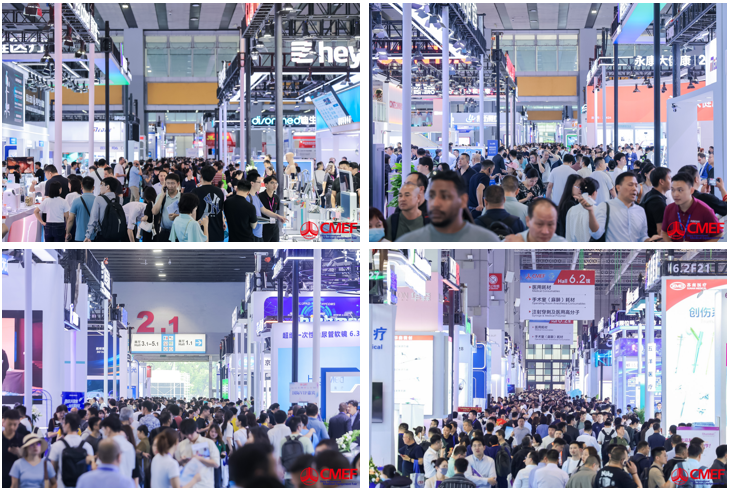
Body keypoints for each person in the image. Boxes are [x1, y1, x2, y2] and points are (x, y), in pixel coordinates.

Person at [396, 171, 499, 241]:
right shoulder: (407, 240)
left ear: (463, 200)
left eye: (445, 196)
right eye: (432, 196)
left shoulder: (486, 240)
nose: (435, 203)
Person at [590, 172, 659, 242]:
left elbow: (643, 237)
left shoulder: (640, 210)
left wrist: (650, 240)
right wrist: (590, 211)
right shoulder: (605, 206)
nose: (635, 189)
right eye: (630, 185)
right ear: (618, 187)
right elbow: (596, 234)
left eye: (636, 185)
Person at [661, 172, 721, 242]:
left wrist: (697, 247)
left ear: (691, 190)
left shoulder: (706, 211)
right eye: (673, 190)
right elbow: (664, 232)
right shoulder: (669, 209)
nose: (675, 194)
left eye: (680, 190)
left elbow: (719, 235)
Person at [48, 413, 95, 488]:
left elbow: (53, 472)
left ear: (68, 425)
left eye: (64, 423)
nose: (62, 425)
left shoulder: (57, 446)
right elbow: (91, 470)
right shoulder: (87, 446)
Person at [175, 419, 220, 488]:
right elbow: (177, 465)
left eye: (191, 433)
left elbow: (216, 464)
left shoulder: (209, 443)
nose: (189, 436)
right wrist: (181, 462)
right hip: (187, 485)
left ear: (196, 429)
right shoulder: (181, 445)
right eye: (186, 434)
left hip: (204, 485)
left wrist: (200, 459)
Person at [99, 417, 136, 483]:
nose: (103, 433)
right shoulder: (130, 446)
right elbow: (132, 468)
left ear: (108, 429)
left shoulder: (107, 444)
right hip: (127, 483)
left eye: (103, 429)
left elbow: (100, 467)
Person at [640, 166, 672, 238]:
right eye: (669, 178)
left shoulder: (649, 194)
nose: (671, 181)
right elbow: (661, 231)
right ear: (661, 181)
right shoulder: (658, 202)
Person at [151, 172, 182, 242]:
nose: (170, 186)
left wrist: (177, 216)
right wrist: (162, 195)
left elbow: (188, 216)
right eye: (168, 183)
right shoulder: (161, 196)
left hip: (179, 231)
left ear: (178, 184)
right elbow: (154, 212)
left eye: (173, 183)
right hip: (164, 232)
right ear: (165, 184)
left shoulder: (182, 197)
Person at [66, 177, 97, 242]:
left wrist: (67, 233)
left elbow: (71, 219)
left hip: (80, 236)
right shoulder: (97, 200)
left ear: (82, 187)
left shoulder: (76, 201)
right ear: (93, 187)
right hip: (94, 235)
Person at [3, 409, 23, 489]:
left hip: (19, 479)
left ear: (18, 423)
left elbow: (30, 461)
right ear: (3, 422)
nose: (12, 427)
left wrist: (19, 453)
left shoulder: (22, 439)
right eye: (9, 424)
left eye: (15, 424)